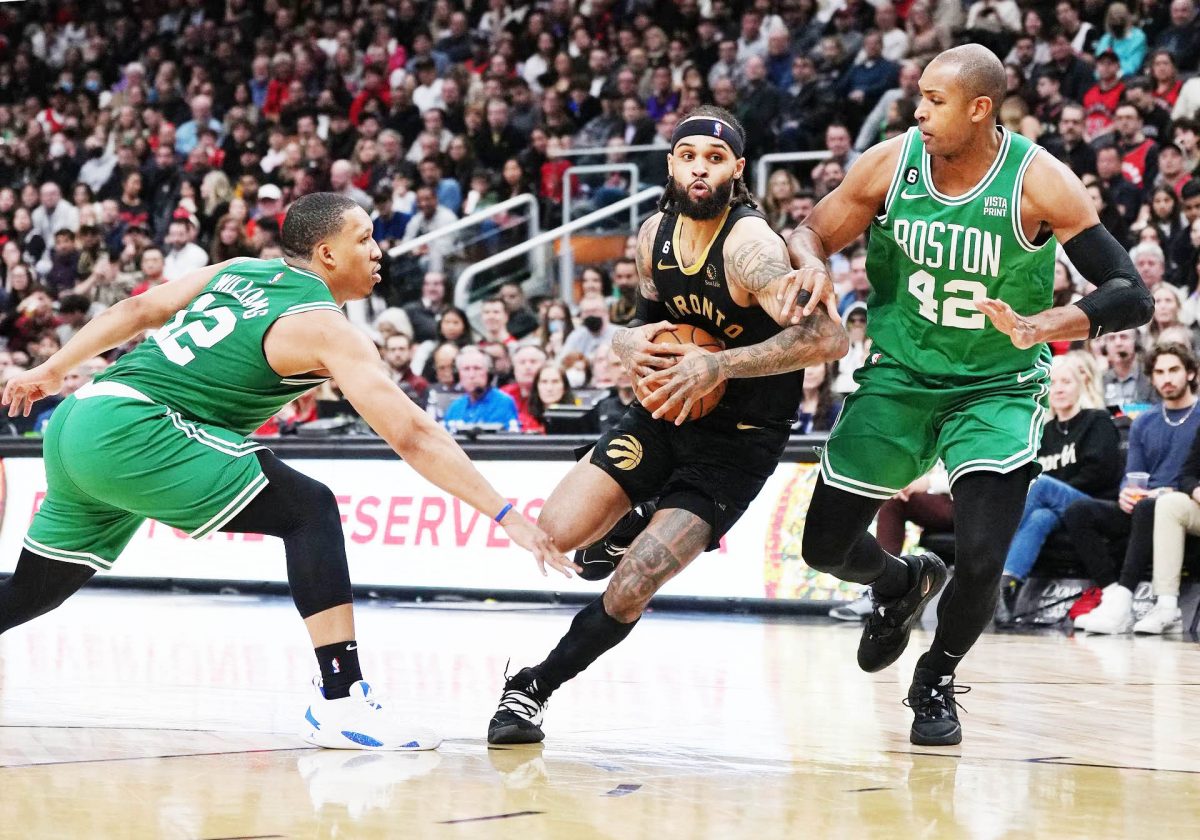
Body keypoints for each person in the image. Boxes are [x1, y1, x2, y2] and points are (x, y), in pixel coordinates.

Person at [0, 193, 570, 752]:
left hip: (80, 416)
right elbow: (413, 434)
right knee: (309, 508)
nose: (378, 250)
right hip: (133, 428)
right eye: (364, 238)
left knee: (32, 591)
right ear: (326, 254)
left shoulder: (240, 270)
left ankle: (342, 699)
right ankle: (342, 701)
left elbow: (137, 311)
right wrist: (504, 513)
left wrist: (52, 370)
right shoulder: (326, 327)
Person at [782, 45, 1151, 746]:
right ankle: (898, 584)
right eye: (918, 96)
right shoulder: (892, 163)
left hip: (995, 386)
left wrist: (1047, 323)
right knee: (823, 546)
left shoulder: (1040, 181)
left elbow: (1129, 293)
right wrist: (811, 267)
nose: (918, 110)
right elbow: (810, 231)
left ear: (980, 109)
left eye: (935, 100)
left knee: (983, 554)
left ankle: (937, 676)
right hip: (899, 376)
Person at [486, 106, 847, 745]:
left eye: (715, 158)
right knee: (557, 534)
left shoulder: (751, 247)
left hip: (736, 442)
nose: (700, 169)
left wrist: (722, 365)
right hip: (660, 411)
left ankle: (532, 689)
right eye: (689, 156)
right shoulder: (653, 234)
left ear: (737, 169)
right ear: (671, 164)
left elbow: (828, 338)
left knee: (633, 583)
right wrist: (626, 342)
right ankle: (634, 512)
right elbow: (650, 324)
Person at [1065, 342, 1200, 634]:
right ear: (1151, 378)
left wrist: (1163, 493)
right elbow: (1133, 474)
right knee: (1078, 511)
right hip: (1145, 502)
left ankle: (1125, 599)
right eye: (1159, 372)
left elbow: (1191, 475)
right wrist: (1126, 490)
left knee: (1151, 505)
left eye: (1174, 370)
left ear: (1190, 373)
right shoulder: (1145, 421)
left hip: (1179, 503)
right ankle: (1113, 594)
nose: (1167, 378)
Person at [995, 355, 1120, 625]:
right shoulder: (1044, 431)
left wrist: (1054, 492)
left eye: (1066, 381)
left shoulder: (1098, 420)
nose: (1059, 388)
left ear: (1081, 385)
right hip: (1055, 511)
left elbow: (1101, 473)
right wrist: (1051, 497)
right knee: (1040, 517)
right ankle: (1004, 590)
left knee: (1041, 486)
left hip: (1095, 505)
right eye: (1052, 383)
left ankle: (989, 553)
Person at [442, 345, 520, 432]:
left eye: (477, 368)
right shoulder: (455, 407)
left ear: (489, 373)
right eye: (466, 369)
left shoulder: (503, 402)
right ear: (458, 374)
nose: (472, 375)